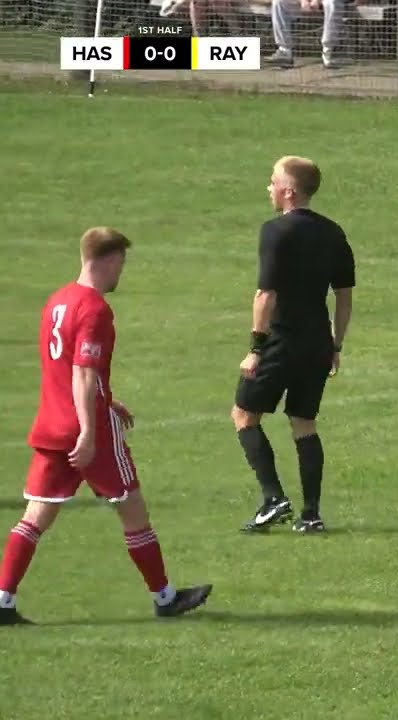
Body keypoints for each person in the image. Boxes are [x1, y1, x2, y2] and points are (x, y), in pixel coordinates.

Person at [1, 227, 213, 626]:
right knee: (132, 508)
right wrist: (88, 429)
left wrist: (105, 397)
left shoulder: (57, 301)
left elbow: (64, 368)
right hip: (89, 431)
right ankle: (165, 598)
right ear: (109, 260)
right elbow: (83, 372)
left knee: (34, 517)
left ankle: (2, 599)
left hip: (51, 425)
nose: (121, 273)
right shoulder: (94, 309)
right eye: (121, 264)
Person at [233, 156, 355, 534]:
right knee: (304, 423)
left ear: (289, 191)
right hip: (317, 343)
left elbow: (265, 294)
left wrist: (255, 348)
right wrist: (336, 345)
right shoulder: (334, 233)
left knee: (243, 415)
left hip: (280, 342)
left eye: (273, 182)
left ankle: (273, 499)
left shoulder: (275, 232)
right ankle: (311, 514)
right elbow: (344, 296)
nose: (269, 188)